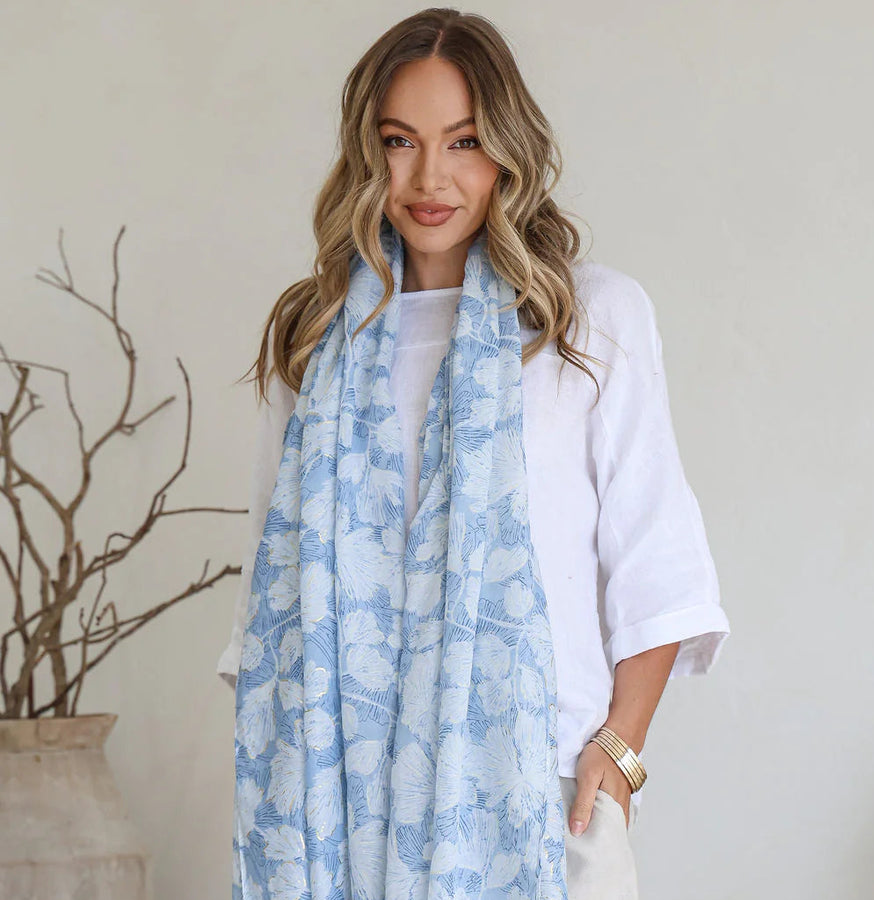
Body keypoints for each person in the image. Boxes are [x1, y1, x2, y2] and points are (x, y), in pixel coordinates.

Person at [218, 8, 731, 899]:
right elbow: (276, 590)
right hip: (340, 817)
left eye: (462, 141)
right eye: (399, 140)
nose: (429, 177)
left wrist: (619, 751)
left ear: (507, 150)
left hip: (541, 804)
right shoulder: (317, 336)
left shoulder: (586, 320)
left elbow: (655, 558)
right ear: (365, 151)